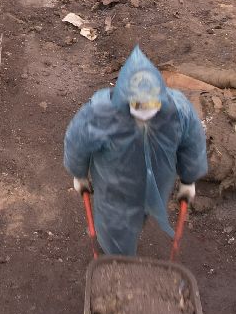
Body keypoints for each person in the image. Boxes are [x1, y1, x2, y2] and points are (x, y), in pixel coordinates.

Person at [63, 47, 208, 256]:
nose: (146, 116)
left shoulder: (177, 110)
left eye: (152, 107)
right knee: (115, 231)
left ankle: (132, 231)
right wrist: (78, 172)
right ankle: (116, 258)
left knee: (141, 215)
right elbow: (77, 141)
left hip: (156, 182)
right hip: (115, 190)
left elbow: (192, 141)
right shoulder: (100, 113)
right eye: (139, 108)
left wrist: (189, 178)